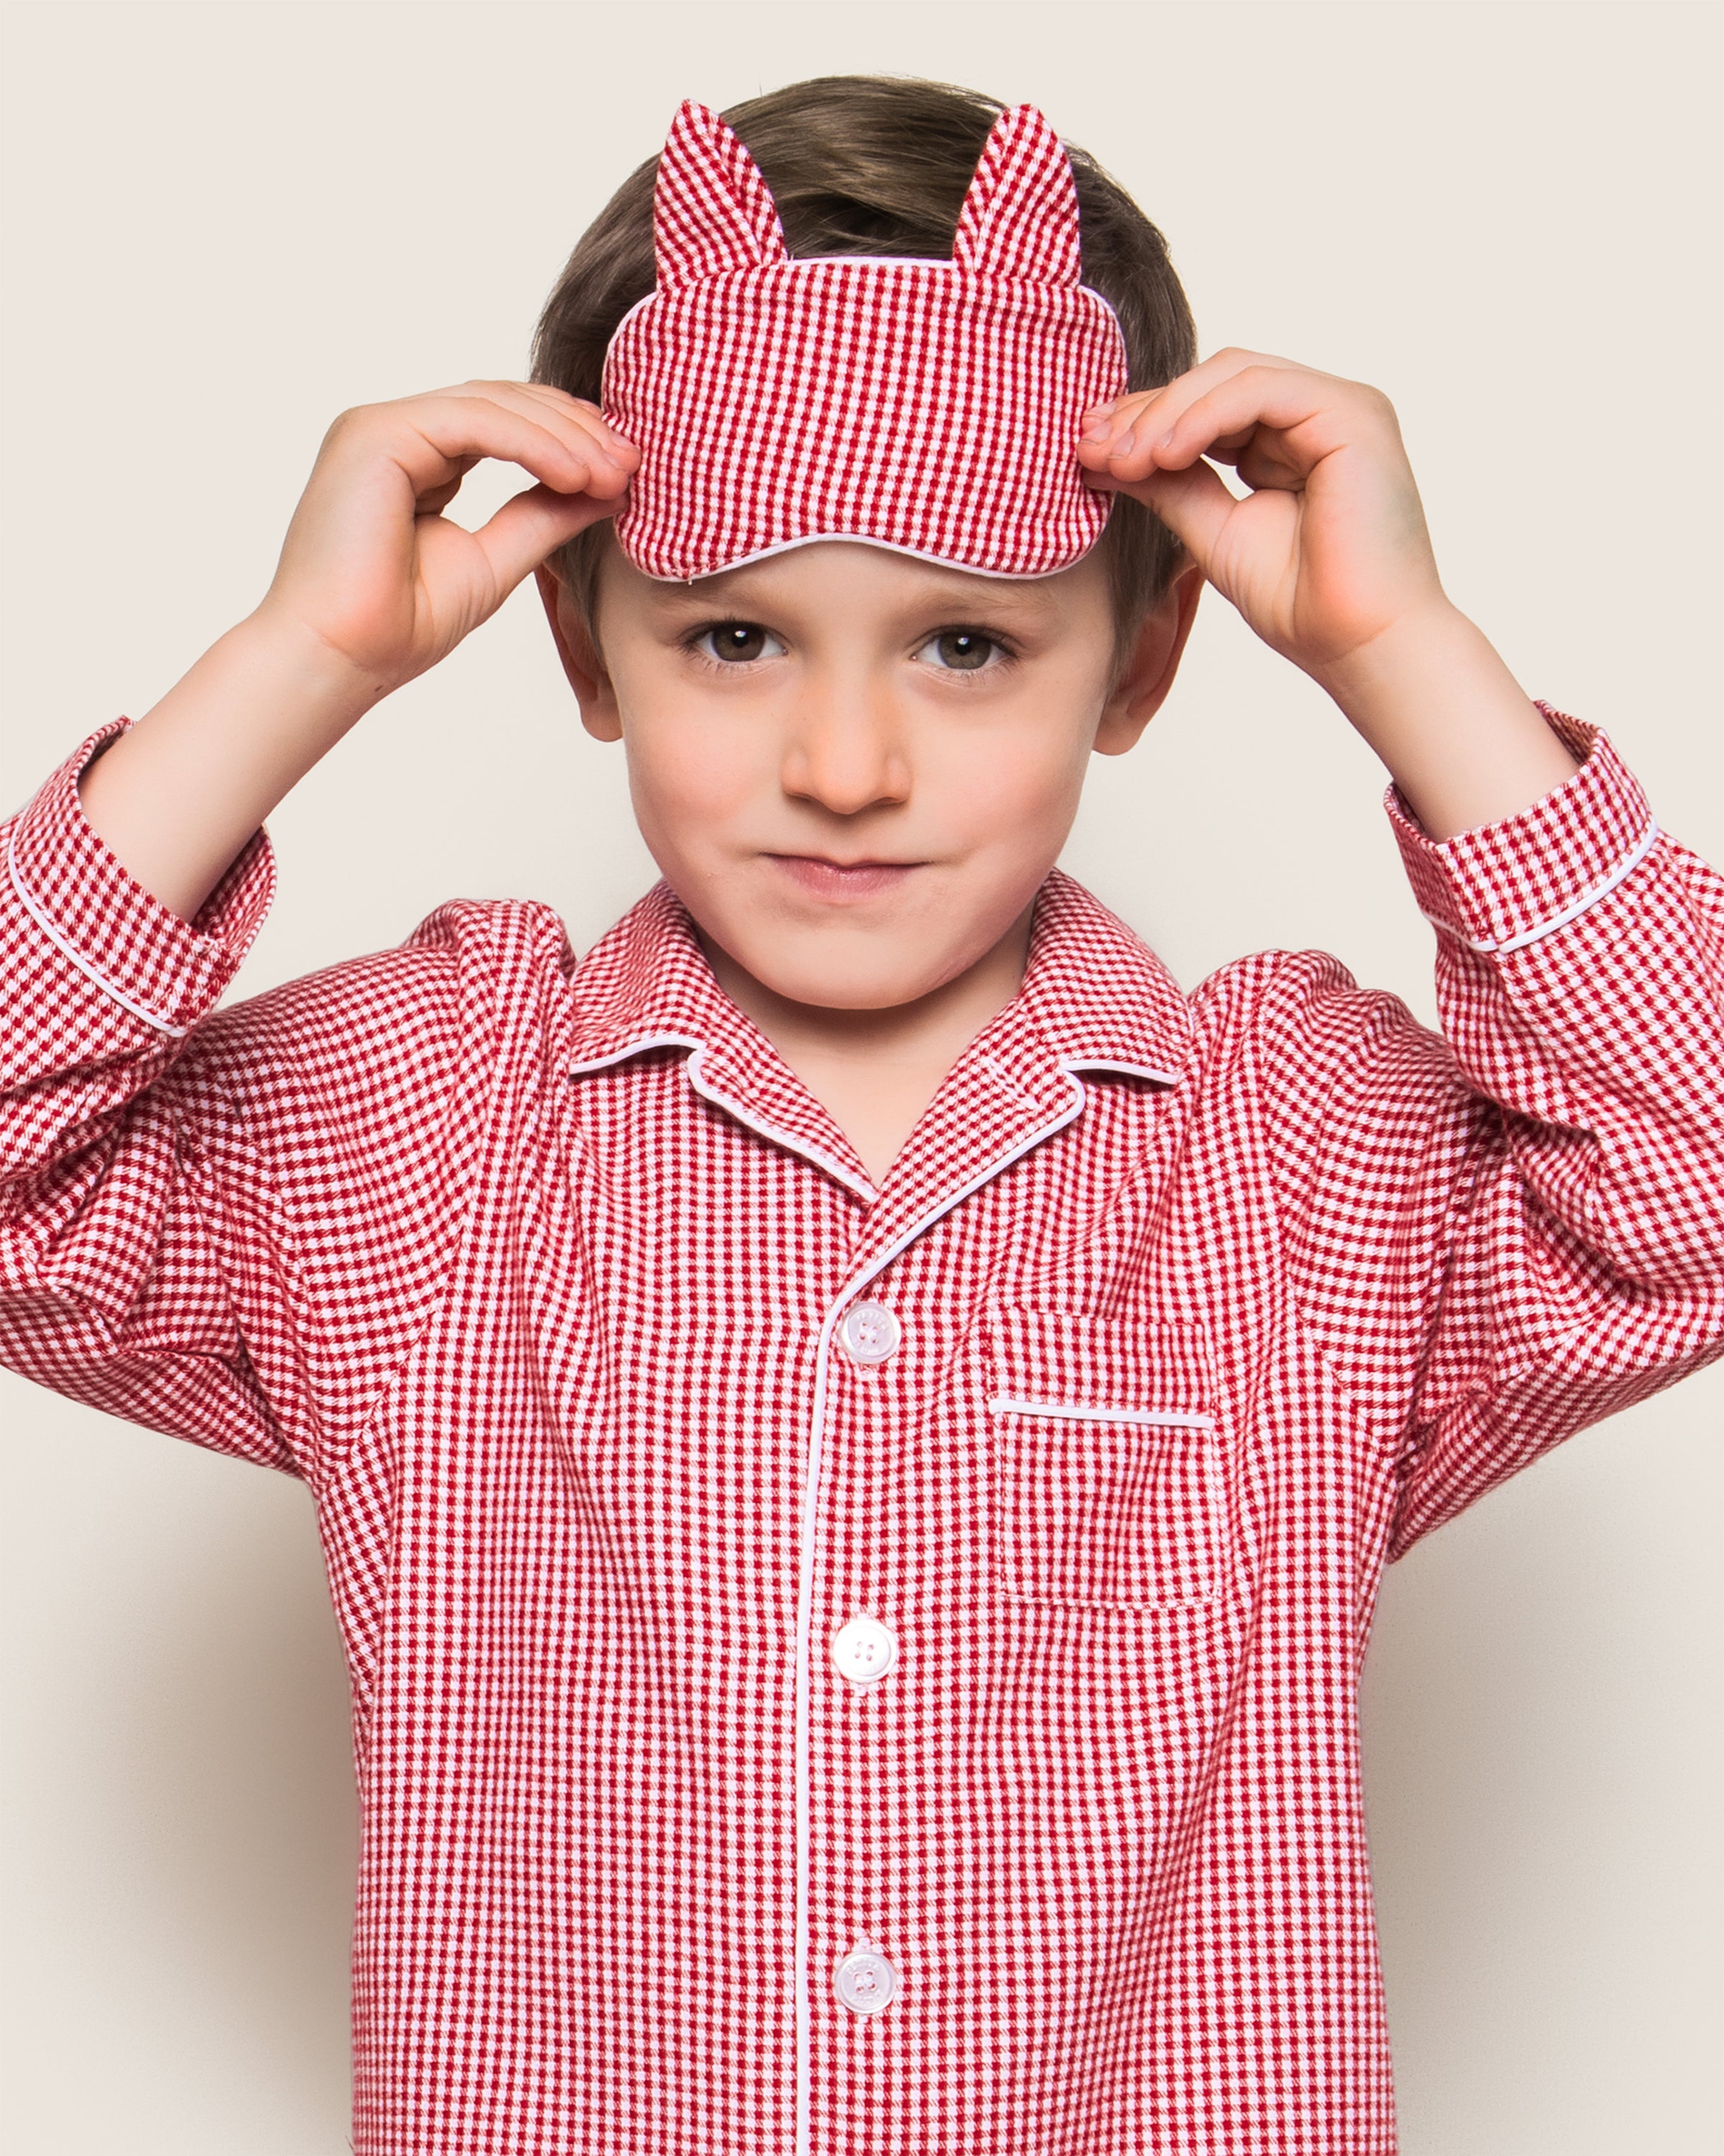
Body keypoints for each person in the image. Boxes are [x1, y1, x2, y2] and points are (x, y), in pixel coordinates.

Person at [1, 70, 1718, 2156]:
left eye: (967, 645)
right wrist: (294, 663)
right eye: (734, 634)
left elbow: (1690, 1163)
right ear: (582, 633)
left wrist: (1403, 650)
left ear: (1142, 655)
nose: (842, 757)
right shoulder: (429, 1129)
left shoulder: (1296, 1157)